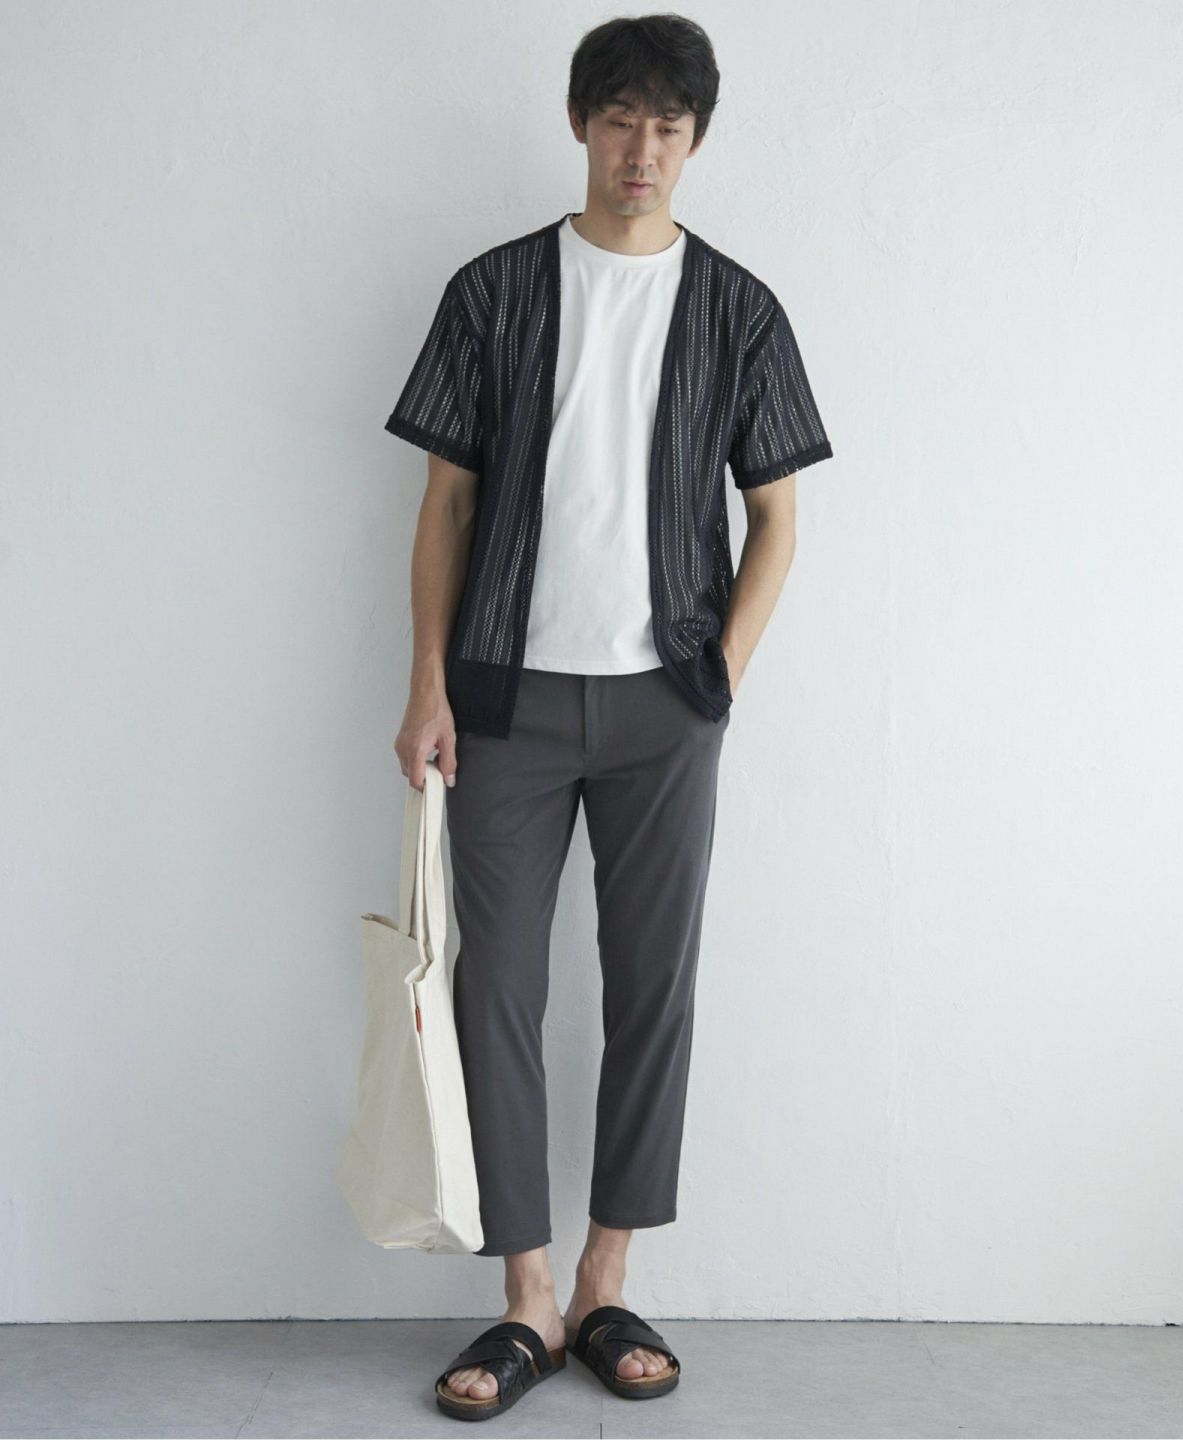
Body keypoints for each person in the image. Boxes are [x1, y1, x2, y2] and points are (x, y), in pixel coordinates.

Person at [383, 13, 833, 1422]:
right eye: (622, 119)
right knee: (494, 993)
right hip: (502, 704)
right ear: (581, 122)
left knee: (652, 994)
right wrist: (427, 682)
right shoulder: (495, 292)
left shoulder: (739, 310)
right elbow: (446, 502)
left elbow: (777, 517)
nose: (644, 149)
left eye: (670, 128)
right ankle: (525, 1297)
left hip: (665, 711)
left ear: (696, 142)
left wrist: (721, 679)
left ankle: (605, 1281)